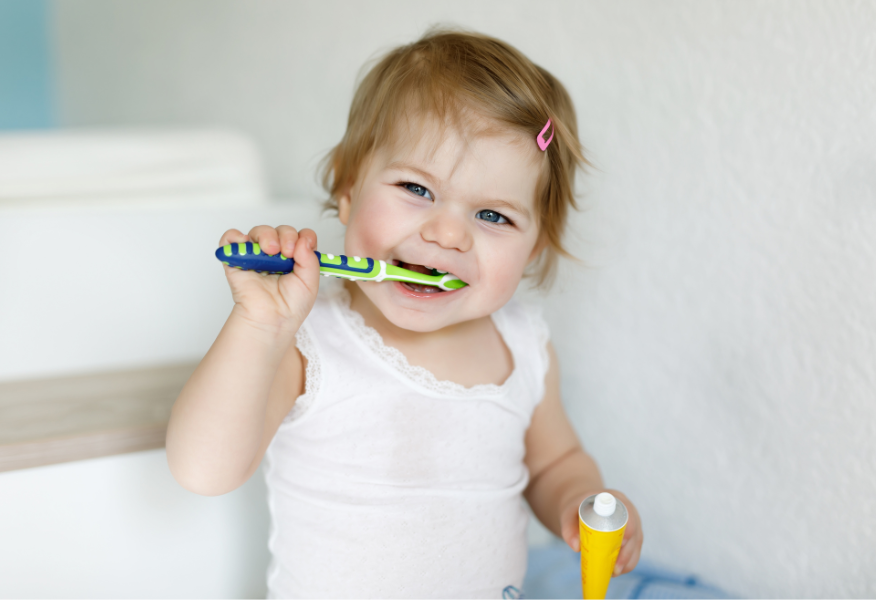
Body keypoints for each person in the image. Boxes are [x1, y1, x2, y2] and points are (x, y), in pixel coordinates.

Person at [166, 28, 643, 598]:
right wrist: (260, 327)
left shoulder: (524, 349)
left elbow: (554, 462)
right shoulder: (308, 343)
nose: (446, 233)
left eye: (494, 217)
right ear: (347, 189)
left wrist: (577, 502)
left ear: (534, 250)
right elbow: (203, 469)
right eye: (417, 188)